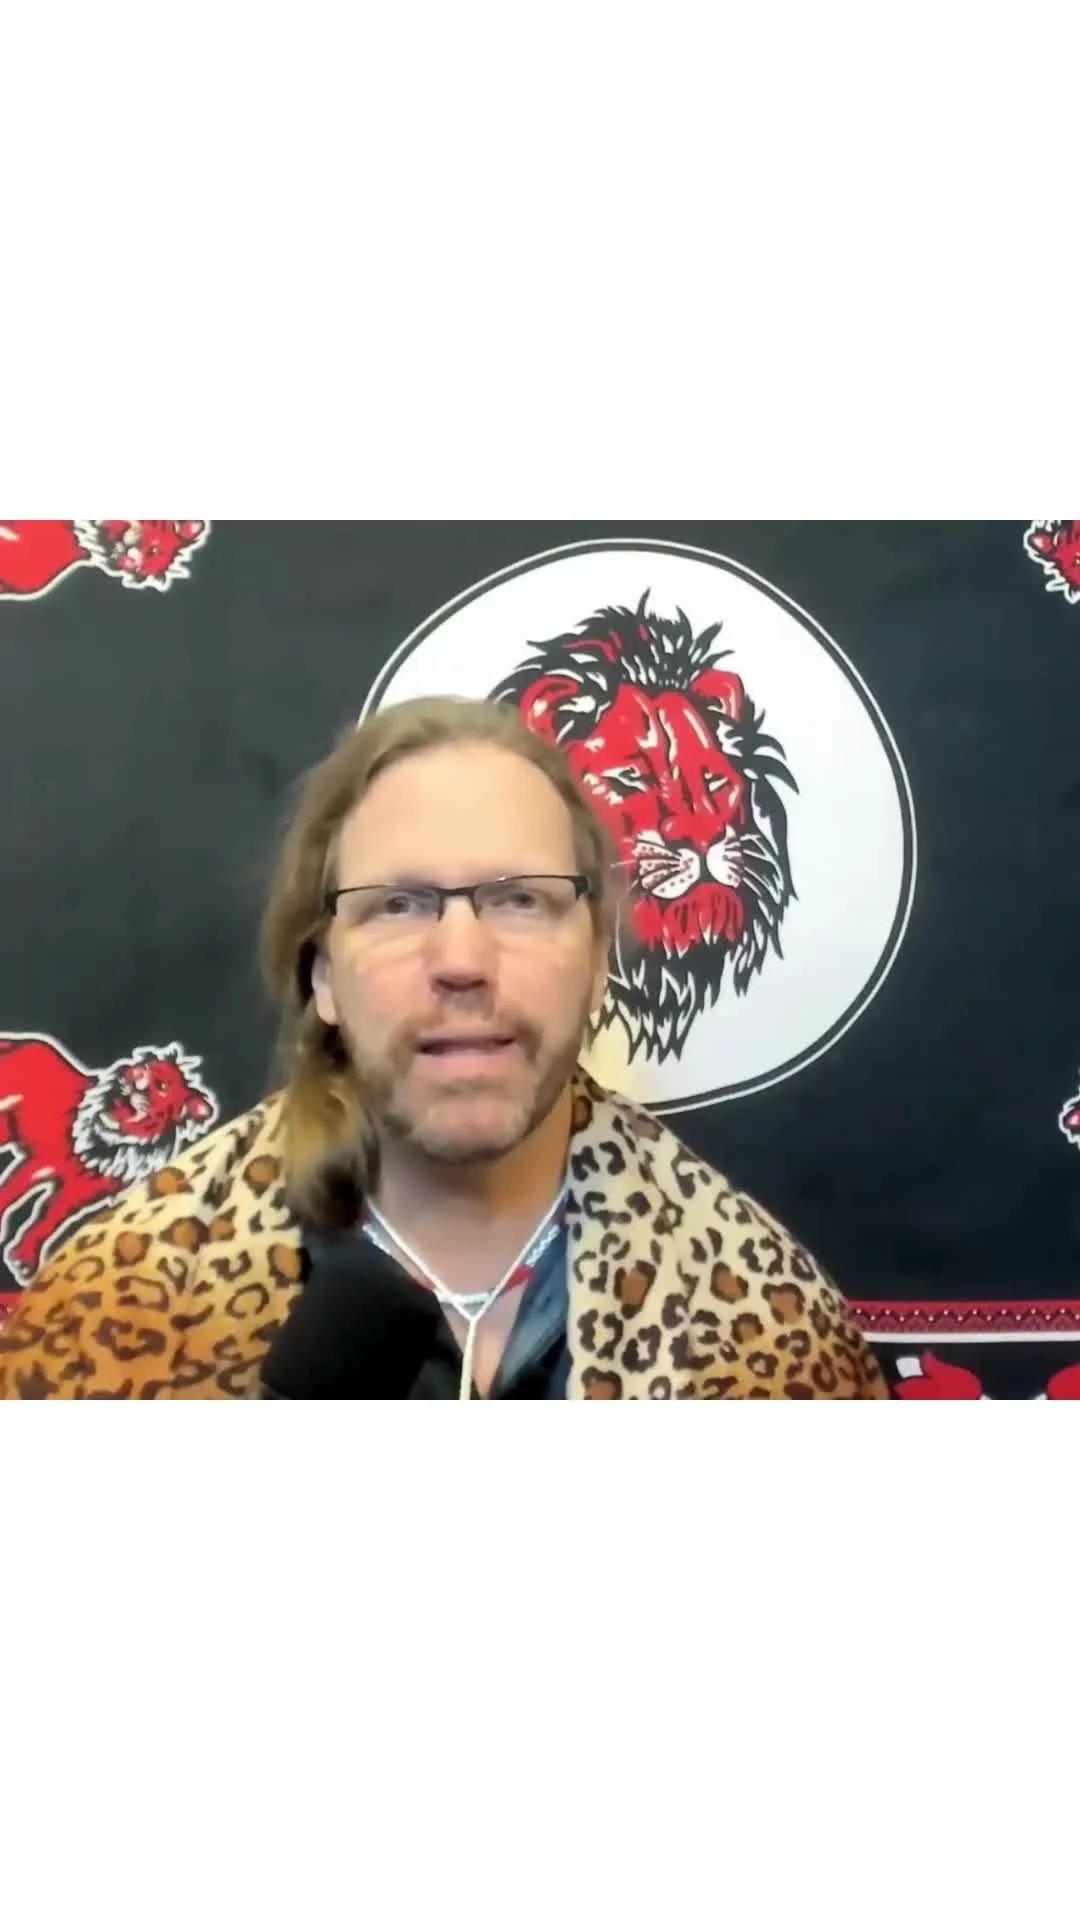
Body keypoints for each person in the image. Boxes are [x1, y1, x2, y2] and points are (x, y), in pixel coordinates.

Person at [0, 696, 888, 1400]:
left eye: (520, 900)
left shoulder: (769, 1336)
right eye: (399, 904)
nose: (462, 961)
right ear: (323, 977)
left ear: (596, 961)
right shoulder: (120, 1307)